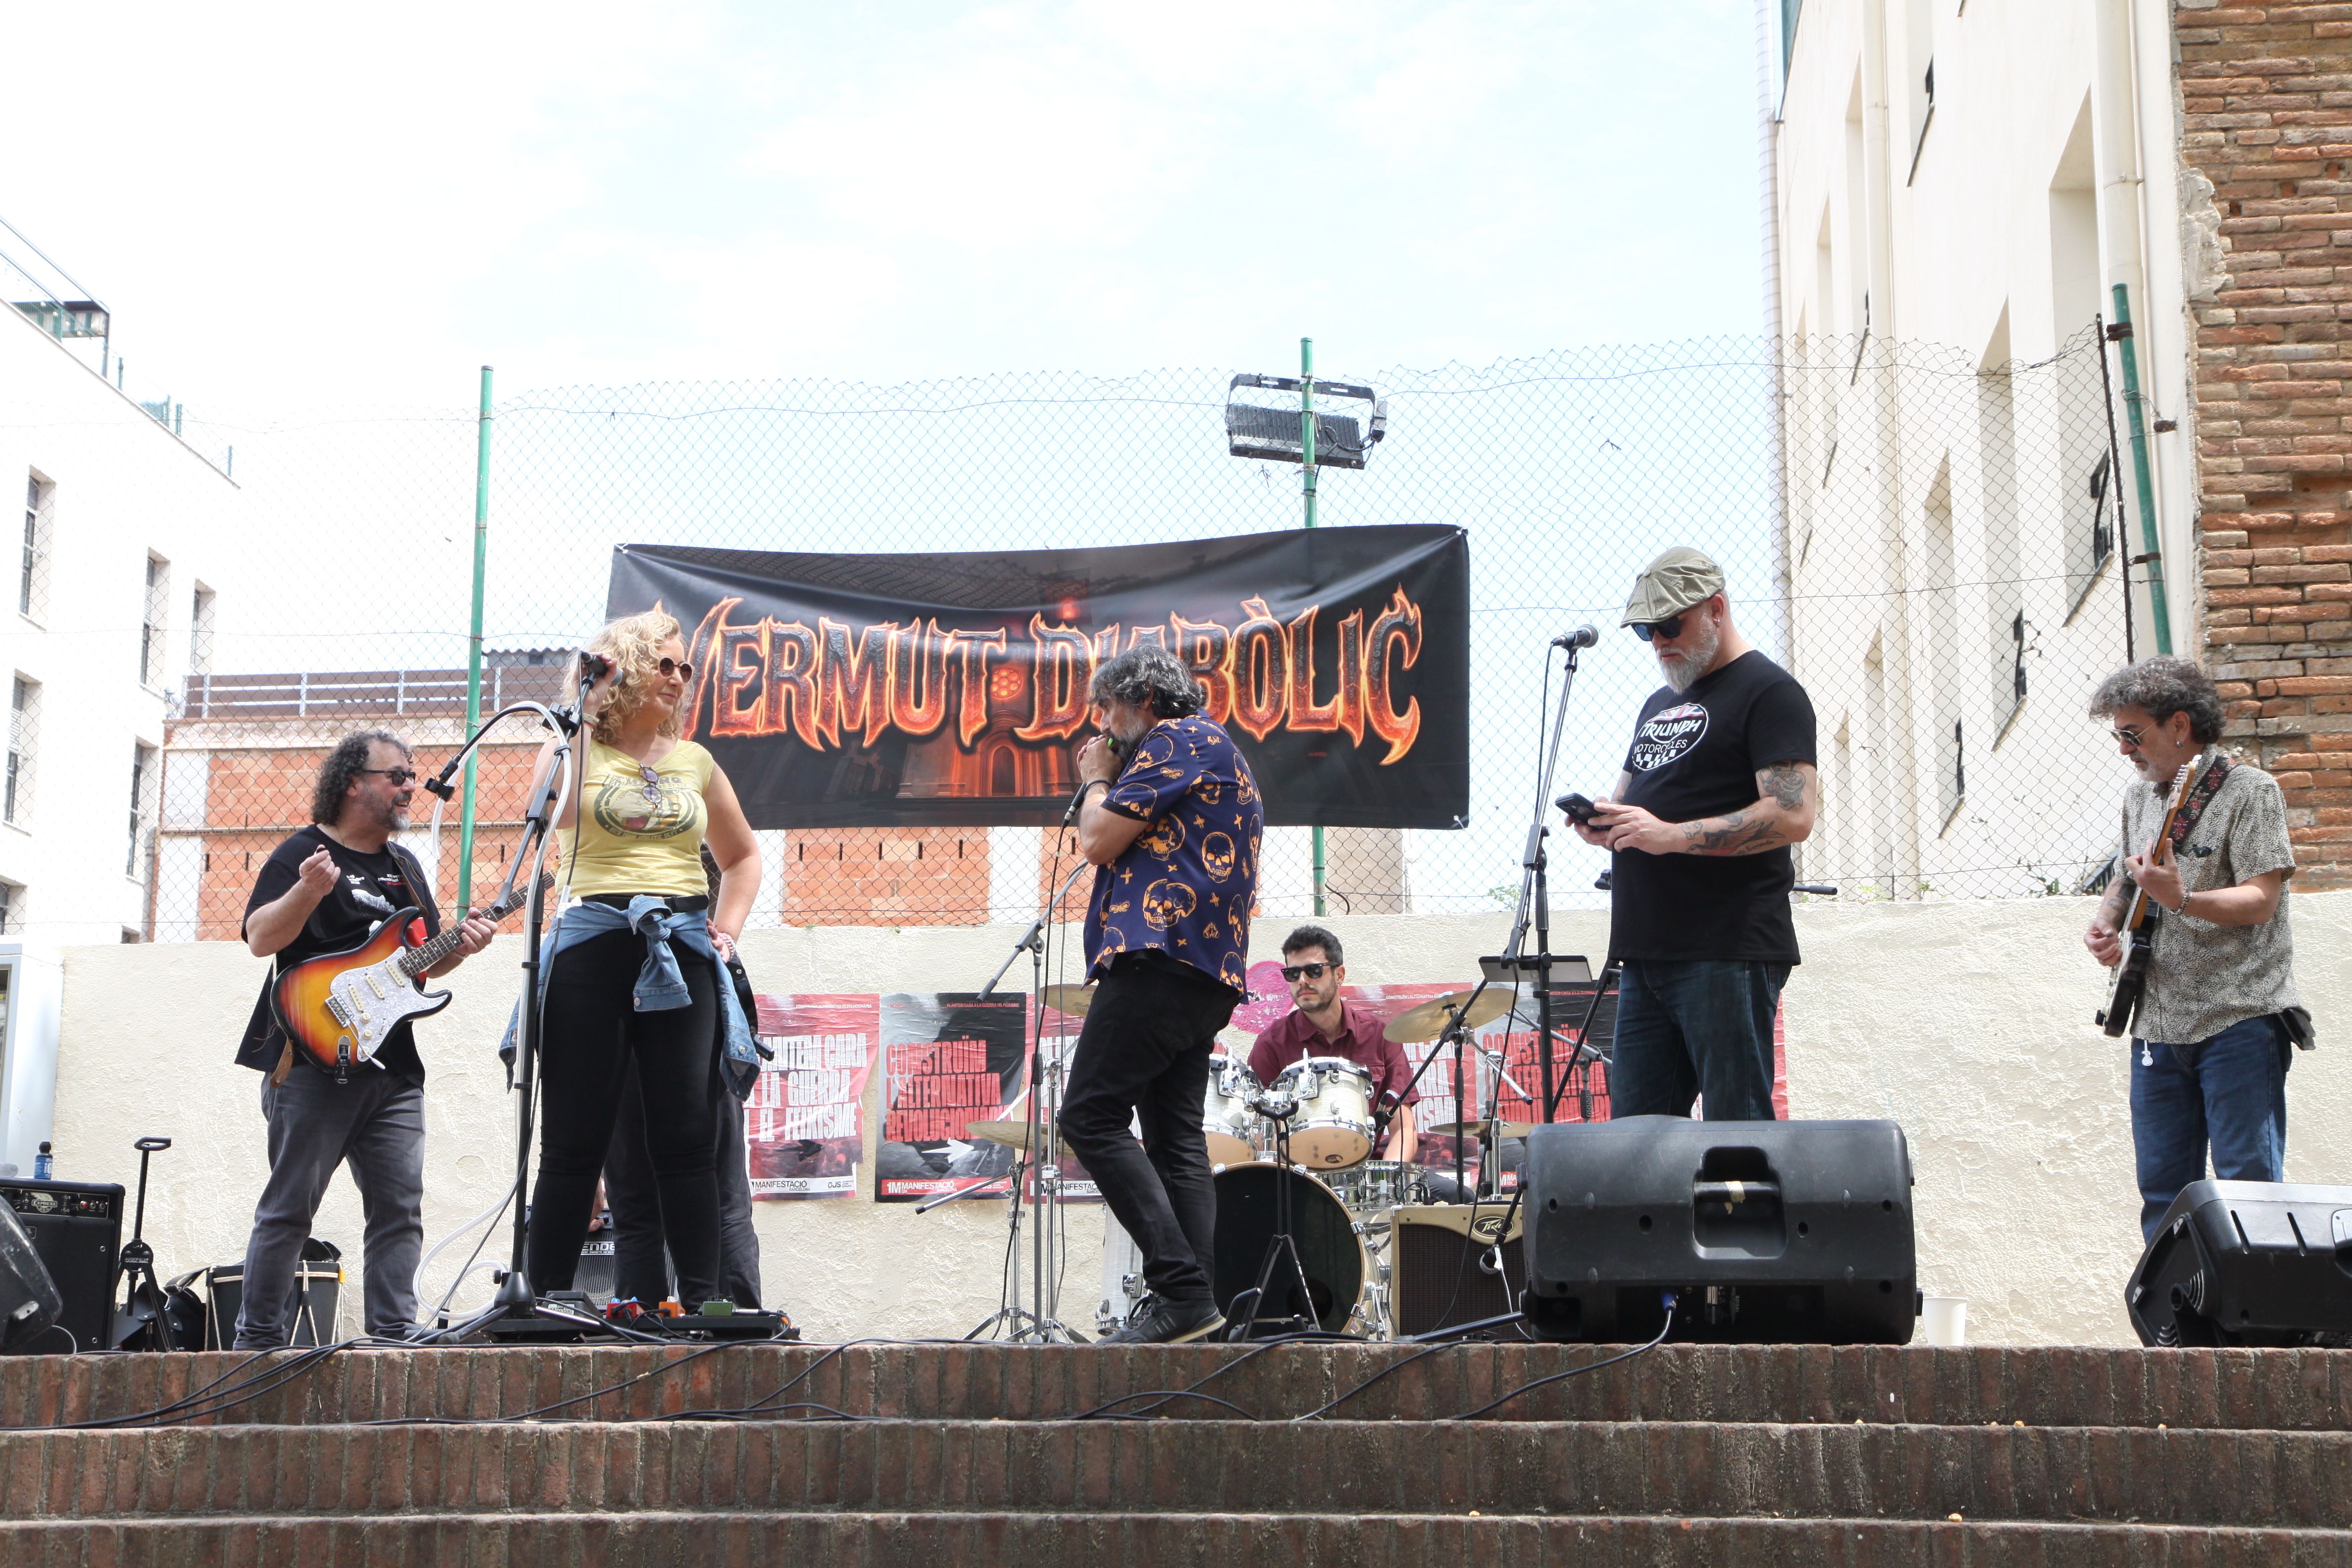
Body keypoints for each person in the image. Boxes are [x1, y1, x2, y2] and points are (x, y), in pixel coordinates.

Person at [519, 609, 763, 1314]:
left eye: (685, 668)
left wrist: (726, 929)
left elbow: (743, 856)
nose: (680, 678)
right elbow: (541, 810)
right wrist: (582, 708)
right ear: (623, 665)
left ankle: (705, 1301)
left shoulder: (695, 761)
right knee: (574, 1136)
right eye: (665, 663)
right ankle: (547, 1299)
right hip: (592, 942)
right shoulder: (581, 747)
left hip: (681, 948)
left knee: (687, 1131)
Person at [234, 731, 497, 1347]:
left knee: (399, 1210)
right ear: (353, 782)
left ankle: (395, 1333)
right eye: (398, 775)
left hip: (393, 1067)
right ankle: (257, 1342)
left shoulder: (405, 869)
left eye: (412, 775)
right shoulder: (303, 852)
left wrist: (461, 944)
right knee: (291, 1207)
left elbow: (421, 967)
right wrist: (307, 890)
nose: (411, 786)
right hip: (312, 1062)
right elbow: (260, 939)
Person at [1059, 645, 1264, 1344]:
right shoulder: (1216, 749)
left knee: (1088, 1116)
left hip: (1159, 955)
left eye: (1110, 710)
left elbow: (1097, 839)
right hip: (1202, 970)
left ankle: (1177, 1285)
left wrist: (1095, 779)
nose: (1106, 730)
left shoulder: (1178, 738)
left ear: (1144, 697)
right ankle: (1193, 1307)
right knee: (1176, 1139)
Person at [1569, 547, 1817, 1122]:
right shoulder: (1658, 704)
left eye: (1669, 625)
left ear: (1716, 609)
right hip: (1646, 956)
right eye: (1646, 632)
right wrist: (1608, 826)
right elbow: (1634, 806)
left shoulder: (1769, 692)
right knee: (1638, 1147)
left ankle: (1745, 1220)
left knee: (1738, 1137)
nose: (1658, 641)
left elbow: (1792, 815)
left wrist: (1672, 836)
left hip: (1726, 951)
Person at [2082, 657, 2310, 1242]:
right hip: (2157, 1025)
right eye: (2119, 736)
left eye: (2133, 734)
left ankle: (2262, 1328)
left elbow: (2262, 899)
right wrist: (2107, 923)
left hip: (2240, 1020)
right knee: (2162, 1193)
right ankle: (2178, 1329)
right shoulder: (2141, 799)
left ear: (2179, 725)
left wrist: (2184, 899)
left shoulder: (2250, 791)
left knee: (2248, 1183)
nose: (2125, 750)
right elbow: (2130, 876)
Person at [601, 847, 764, 1313]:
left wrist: (724, 939)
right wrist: (724, 939)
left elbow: (742, 857)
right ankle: (727, 1322)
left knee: (658, 1204)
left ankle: (655, 1324)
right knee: (709, 1199)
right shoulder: (697, 943)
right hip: (666, 1033)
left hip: (661, 1034)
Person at [1248, 924, 1420, 1163]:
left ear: (1339, 975)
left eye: (1314, 971)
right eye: (1293, 974)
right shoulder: (1271, 1044)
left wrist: (1388, 1184)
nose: (1302, 981)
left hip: (1370, 1173)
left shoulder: (1381, 1036)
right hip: (1300, 1178)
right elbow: (1261, 1132)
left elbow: (1404, 1128)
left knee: (1458, 1197)